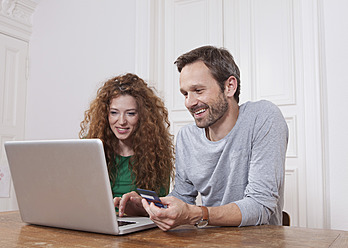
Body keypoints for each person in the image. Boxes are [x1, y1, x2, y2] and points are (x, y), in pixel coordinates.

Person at [116, 46, 289, 230]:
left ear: (229, 86)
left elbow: (261, 205)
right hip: (208, 240)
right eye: (185, 93)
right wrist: (147, 207)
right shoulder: (187, 137)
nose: (189, 102)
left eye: (198, 90)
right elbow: (182, 197)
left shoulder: (263, 117)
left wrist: (197, 214)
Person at [79, 73, 174, 202]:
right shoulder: (89, 148)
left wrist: (137, 205)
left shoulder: (157, 153)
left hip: (137, 220)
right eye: (114, 113)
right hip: (96, 218)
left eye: (130, 113)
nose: (122, 121)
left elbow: (158, 203)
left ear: (143, 116)